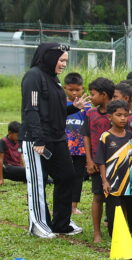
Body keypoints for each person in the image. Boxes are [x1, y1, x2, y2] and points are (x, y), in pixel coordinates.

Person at [20, 42, 87, 238]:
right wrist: (38, 139)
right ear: (50, 58)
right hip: (37, 140)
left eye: (66, 60)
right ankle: (39, 224)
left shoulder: (54, 79)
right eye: (61, 60)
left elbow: (55, 112)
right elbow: (31, 110)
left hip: (57, 138)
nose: (64, 64)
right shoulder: (33, 77)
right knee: (38, 182)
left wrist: (74, 108)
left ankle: (61, 223)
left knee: (67, 177)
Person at [95, 100, 132, 240]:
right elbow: (101, 161)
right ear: (110, 117)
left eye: (126, 115)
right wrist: (104, 181)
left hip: (130, 181)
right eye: (119, 115)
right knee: (114, 210)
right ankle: (116, 236)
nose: (123, 118)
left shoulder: (131, 136)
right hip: (112, 181)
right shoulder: (106, 137)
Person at [83, 77, 116, 243]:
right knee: (98, 197)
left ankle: (117, 230)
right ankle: (97, 233)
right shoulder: (90, 114)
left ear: (104, 95)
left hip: (116, 163)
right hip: (96, 164)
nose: (90, 97)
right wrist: (89, 160)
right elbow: (87, 137)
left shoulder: (118, 113)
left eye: (93, 94)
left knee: (117, 198)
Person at [63, 72, 87, 213]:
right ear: (65, 88)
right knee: (64, 176)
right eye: (71, 89)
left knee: (78, 177)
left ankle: (73, 206)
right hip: (63, 148)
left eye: (77, 90)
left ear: (82, 89)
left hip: (81, 150)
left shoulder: (87, 107)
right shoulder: (61, 105)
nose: (74, 92)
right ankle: (63, 203)